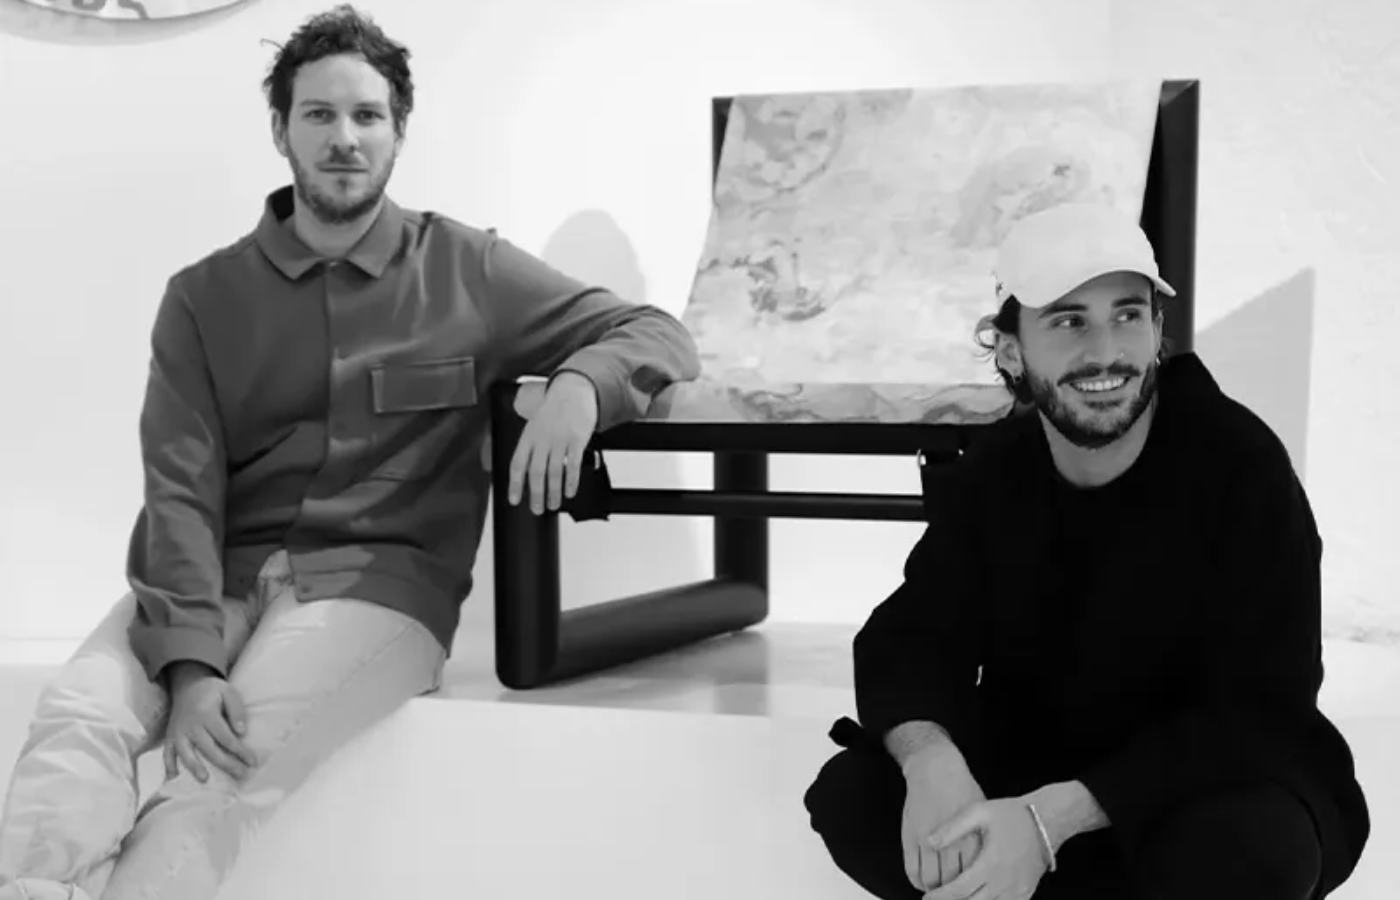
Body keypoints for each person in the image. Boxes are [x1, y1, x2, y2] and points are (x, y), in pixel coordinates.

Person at [0, 6, 699, 900]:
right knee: (76, 719)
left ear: (398, 131)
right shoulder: (202, 298)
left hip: (380, 591)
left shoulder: (469, 269)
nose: (344, 138)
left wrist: (582, 385)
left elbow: (655, 331)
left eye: (367, 115)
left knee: (218, 775)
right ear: (281, 130)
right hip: (215, 576)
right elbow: (180, 494)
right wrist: (191, 666)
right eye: (319, 114)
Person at [803, 202, 1370, 900]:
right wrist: (931, 762)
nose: (1105, 351)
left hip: (1199, 781)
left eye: (1128, 315)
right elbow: (912, 638)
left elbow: (1261, 707)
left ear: (1157, 330)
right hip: (1044, 758)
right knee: (855, 795)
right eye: (1069, 321)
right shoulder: (997, 471)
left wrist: (1049, 822)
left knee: (1248, 850)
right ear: (1010, 350)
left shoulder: (1239, 464)